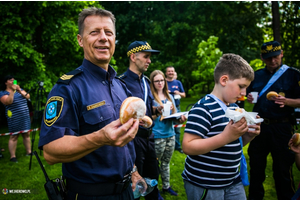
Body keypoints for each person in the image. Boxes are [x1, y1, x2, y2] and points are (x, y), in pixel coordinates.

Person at [38, 7, 142, 199]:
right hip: (91, 194)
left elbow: (126, 140)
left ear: (114, 40)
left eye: (108, 33)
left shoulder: (120, 85)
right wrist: (100, 137)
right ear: (80, 40)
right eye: (94, 32)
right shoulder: (67, 88)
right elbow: (50, 152)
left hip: (127, 191)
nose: (103, 38)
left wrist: (134, 171)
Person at [182, 54, 261, 200]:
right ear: (224, 80)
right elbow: (188, 146)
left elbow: (232, 144)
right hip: (206, 183)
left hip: (232, 180)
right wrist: (226, 136)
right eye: (241, 87)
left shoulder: (234, 107)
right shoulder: (203, 108)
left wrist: (248, 135)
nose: (244, 93)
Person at [246, 41, 300, 200]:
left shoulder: (294, 74)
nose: (273, 61)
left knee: (283, 171)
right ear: (262, 58)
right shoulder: (256, 75)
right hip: (259, 127)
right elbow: (246, 94)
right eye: (268, 58)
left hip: (282, 127)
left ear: (281, 54)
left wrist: (288, 101)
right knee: (256, 169)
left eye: (276, 57)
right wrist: (248, 97)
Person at [119, 41, 163, 200]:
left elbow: (147, 108)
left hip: (150, 139)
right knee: (135, 186)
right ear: (133, 57)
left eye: (150, 57)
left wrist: (156, 110)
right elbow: (120, 115)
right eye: (146, 57)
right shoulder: (120, 82)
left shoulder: (146, 81)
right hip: (133, 140)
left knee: (152, 180)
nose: (149, 61)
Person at [149, 70, 187, 197]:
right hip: (157, 135)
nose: (160, 83)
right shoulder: (151, 98)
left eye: (162, 80)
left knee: (166, 163)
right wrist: (157, 113)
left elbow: (174, 115)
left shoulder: (169, 96)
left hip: (170, 134)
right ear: (152, 82)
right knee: (154, 164)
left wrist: (180, 118)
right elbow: (148, 118)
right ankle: (153, 189)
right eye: (157, 81)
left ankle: (166, 186)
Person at [0, 75, 32, 163]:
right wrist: (13, 91)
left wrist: (19, 90)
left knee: (26, 134)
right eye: (10, 80)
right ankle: (12, 156)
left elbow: (28, 96)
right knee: (14, 136)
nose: (13, 81)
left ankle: (29, 152)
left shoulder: (19, 89)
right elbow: (8, 102)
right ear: (6, 82)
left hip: (25, 116)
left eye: (14, 80)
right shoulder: (3, 93)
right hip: (14, 118)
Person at [165, 66, 185, 153]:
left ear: (174, 72)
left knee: (177, 128)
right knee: (166, 126)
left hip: (177, 107)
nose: (170, 73)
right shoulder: (163, 82)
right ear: (166, 73)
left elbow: (184, 95)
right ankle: (166, 146)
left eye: (172, 71)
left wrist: (179, 93)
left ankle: (177, 146)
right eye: (169, 71)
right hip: (166, 107)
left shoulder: (178, 82)